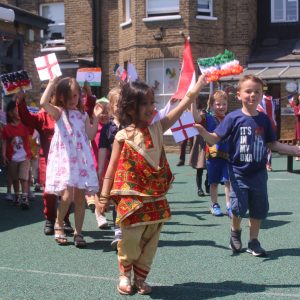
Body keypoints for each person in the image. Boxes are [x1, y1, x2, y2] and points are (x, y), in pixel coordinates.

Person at [98, 75, 207, 295]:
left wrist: (197, 87)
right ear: (130, 109)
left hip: (156, 196)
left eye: (151, 103)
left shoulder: (159, 127)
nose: (150, 108)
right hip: (132, 198)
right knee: (130, 238)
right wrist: (102, 197)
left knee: (150, 240)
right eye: (144, 104)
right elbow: (111, 168)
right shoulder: (122, 136)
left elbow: (183, 104)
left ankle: (140, 277)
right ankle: (124, 275)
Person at [194, 74, 300, 257]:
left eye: (257, 92)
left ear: (261, 95)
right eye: (248, 91)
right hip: (237, 172)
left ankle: (253, 241)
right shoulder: (232, 118)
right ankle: (235, 232)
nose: (252, 95)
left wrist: (295, 150)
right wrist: (204, 133)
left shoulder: (264, 120)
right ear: (239, 94)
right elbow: (215, 139)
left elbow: (272, 144)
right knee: (237, 207)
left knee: (258, 207)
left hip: (258, 173)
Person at [40, 77, 100, 247]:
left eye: (77, 96)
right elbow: (43, 103)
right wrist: (51, 84)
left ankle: (78, 232)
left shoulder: (81, 115)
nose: (75, 99)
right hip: (66, 161)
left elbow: (90, 135)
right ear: (62, 97)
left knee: (80, 199)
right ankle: (59, 224)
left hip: (81, 161)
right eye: (72, 96)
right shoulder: (59, 112)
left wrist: (94, 116)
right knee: (67, 197)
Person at [16, 90, 74, 235]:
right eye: (54, 97)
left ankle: (64, 219)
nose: (59, 99)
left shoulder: (69, 114)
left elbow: (86, 113)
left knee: (65, 192)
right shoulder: (43, 115)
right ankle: (50, 219)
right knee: (49, 191)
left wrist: (89, 95)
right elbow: (27, 118)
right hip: (47, 159)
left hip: (65, 159)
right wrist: (21, 101)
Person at [194, 91, 231, 217]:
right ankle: (214, 204)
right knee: (213, 182)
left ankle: (229, 206)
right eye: (218, 104)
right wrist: (192, 101)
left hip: (228, 156)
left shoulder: (230, 118)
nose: (221, 107)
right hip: (213, 156)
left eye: (224, 104)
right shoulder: (207, 118)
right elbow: (195, 119)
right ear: (211, 105)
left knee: (228, 181)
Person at [2, 100, 32, 209]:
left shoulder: (24, 125)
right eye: (16, 110)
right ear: (10, 113)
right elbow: (4, 141)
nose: (18, 112)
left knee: (23, 177)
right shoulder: (7, 128)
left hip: (25, 157)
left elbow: (31, 126)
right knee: (15, 178)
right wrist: (4, 155)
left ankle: (24, 197)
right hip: (12, 158)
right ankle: (17, 195)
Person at [293, 95, 300, 161]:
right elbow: (297, 114)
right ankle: (297, 156)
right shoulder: (296, 107)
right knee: (298, 141)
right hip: (299, 125)